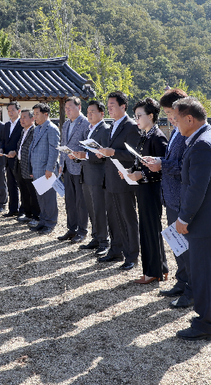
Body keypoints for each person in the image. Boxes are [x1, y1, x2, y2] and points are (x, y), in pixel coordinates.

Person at [173, 97, 211, 341]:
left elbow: (197, 188)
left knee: (202, 271)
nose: (174, 124)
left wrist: (184, 218)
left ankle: (205, 323)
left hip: (203, 220)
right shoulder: (208, 137)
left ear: (189, 119)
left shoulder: (202, 145)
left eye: (176, 119)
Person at [144, 89, 192, 304]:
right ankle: (181, 281)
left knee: (186, 246)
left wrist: (161, 164)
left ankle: (191, 288)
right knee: (177, 244)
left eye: (170, 112)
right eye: (166, 113)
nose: (169, 117)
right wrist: (157, 160)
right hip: (171, 197)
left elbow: (184, 166)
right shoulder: (175, 131)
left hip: (181, 197)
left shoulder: (187, 132)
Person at [123, 98, 168, 284]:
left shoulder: (158, 137)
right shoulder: (145, 136)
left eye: (139, 115)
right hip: (143, 189)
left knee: (151, 229)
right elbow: (141, 162)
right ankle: (159, 268)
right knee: (148, 229)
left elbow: (164, 166)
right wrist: (130, 172)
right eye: (135, 116)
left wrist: (141, 175)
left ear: (151, 116)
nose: (137, 119)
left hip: (152, 189)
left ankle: (154, 271)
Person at [98, 92, 141, 268]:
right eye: (108, 105)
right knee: (113, 217)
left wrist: (112, 152)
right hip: (110, 179)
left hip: (124, 179)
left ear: (123, 106)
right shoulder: (112, 125)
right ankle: (116, 250)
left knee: (128, 218)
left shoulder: (131, 126)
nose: (109, 108)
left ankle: (132, 256)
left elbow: (134, 155)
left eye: (112, 105)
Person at [72, 100, 111, 256]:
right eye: (88, 112)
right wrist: (77, 156)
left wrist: (86, 155)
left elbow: (103, 155)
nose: (89, 114)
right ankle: (96, 237)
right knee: (91, 208)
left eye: (92, 112)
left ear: (102, 114)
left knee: (100, 209)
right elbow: (87, 153)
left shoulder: (105, 130)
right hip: (87, 174)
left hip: (97, 175)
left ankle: (104, 241)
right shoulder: (90, 129)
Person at [57, 97, 90, 244]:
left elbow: (88, 146)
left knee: (80, 201)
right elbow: (63, 144)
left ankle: (82, 231)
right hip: (67, 167)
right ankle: (71, 228)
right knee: (69, 200)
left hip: (80, 167)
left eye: (70, 107)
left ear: (79, 107)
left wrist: (77, 156)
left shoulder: (86, 123)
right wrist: (61, 163)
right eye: (66, 108)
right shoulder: (65, 124)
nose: (67, 110)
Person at [28, 103, 60, 235]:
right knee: (40, 197)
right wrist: (31, 168)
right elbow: (33, 149)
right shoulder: (37, 129)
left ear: (45, 114)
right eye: (34, 114)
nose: (34, 116)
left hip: (46, 170)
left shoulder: (52, 129)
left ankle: (50, 223)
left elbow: (54, 150)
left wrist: (50, 169)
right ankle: (43, 221)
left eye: (37, 114)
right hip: (36, 168)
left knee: (49, 198)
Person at [7, 108, 41, 225]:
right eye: (21, 118)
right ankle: (27, 214)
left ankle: (36, 217)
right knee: (24, 191)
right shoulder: (23, 131)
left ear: (32, 118)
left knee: (32, 192)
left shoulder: (35, 131)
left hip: (29, 166)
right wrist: (15, 152)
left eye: (24, 117)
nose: (22, 120)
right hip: (20, 164)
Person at [3, 101, 23, 217]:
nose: (10, 113)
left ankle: (23, 210)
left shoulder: (22, 124)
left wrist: (15, 151)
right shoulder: (6, 125)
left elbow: (24, 142)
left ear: (18, 111)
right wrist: (1, 149)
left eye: (13, 110)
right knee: (11, 185)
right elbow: (4, 141)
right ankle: (13, 209)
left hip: (19, 159)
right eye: (9, 111)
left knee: (22, 186)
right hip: (8, 159)